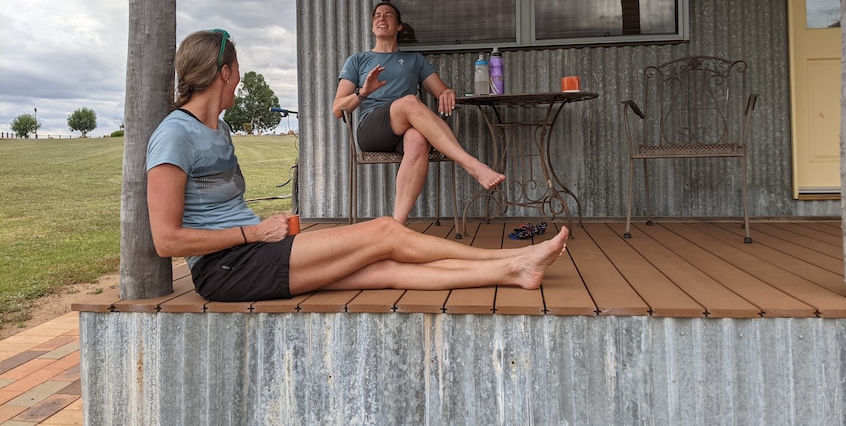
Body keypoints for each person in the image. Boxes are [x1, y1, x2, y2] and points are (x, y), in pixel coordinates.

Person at [146, 29, 568, 302]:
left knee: (384, 270)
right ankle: (514, 258)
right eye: (236, 70)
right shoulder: (174, 134)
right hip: (228, 268)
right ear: (223, 72)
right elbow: (166, 241)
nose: (240, 77)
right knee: (386, 231)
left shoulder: (214, 129)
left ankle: (513, 271)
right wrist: (254, 231)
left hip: (250, 252)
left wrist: (254, 235)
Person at [333, 1, 505, 223]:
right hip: (372, 130)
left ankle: (396, 225)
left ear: (399, 26)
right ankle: (472, 165)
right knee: (410, 101)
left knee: (417, 140)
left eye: (388, 15)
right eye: (377, 15)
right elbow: (338, 110)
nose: (381, 18)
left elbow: (441, 90)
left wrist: (446, 92)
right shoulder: (357, 60)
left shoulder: (415, 60)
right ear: (372, 26)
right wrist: (363, 92)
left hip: (405, 129)